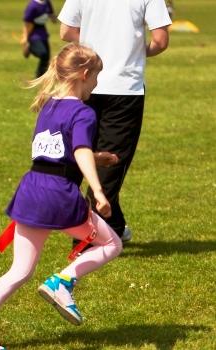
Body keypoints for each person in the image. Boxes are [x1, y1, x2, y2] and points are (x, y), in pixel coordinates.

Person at [0, 43, 123, 350]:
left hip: (32, 189)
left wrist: (99, 157)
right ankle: (63, 281)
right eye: (96, 78)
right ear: (84, 74)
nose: (96, 85)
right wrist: (98, 190)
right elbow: (79, 149)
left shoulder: (48, 105)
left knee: (20, 269)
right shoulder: (84, 112)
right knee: (112, 243)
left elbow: (61, 150)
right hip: (58, 195)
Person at [58, 0, 171, 244]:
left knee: (80, 158)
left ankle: (112, 226)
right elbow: (160, 40)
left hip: (85, 83)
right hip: (124, 89)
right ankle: (86, 241)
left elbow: (66, 31)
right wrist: (134, 49)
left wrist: (96, 48)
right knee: (110, 164)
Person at [20, 0, 57, 78]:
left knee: (46, 58)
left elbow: (51, 14)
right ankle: (30, 48)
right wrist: (25, 37)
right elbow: (27, 24)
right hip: (34, 34)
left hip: (43, 33)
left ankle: (40, 77)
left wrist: (54, 17)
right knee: (43, 54)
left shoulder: (47, 2)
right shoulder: (32, 6)